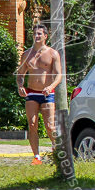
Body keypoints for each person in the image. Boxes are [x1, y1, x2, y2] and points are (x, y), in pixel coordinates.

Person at [16, 23, 63, 165]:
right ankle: (36, 156)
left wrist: (51, 86)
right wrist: (20, 86)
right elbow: (20, 74)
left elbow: (59, 75)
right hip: (31, 93)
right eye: (34, 34)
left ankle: (56, 150)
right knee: (32, 124)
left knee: (50, 125)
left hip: (47, 93)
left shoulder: (53, 53)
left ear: (45, 36)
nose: (36, 36)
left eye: (39, 34)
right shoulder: (26, 54)